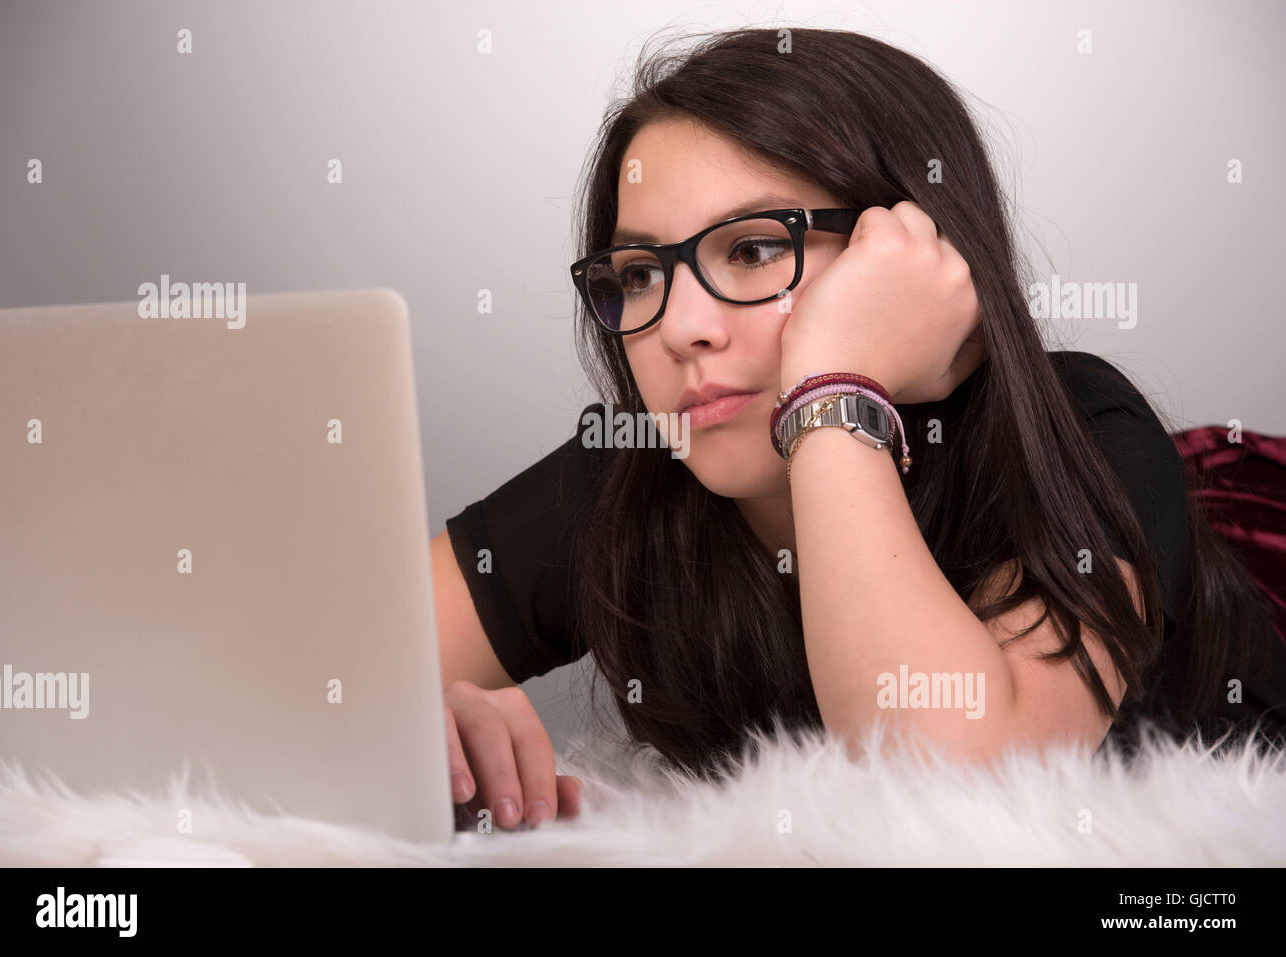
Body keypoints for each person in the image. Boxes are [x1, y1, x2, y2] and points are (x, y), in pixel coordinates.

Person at [433, 27, 1286, 831]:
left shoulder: (1083, 428)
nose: (680, 326)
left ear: (913, 253)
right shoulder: (639, 467)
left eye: (756, 249)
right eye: (642, 271)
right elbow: (340, 652)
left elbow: (951, 789)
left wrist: (832, 380)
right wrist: (425, 704)